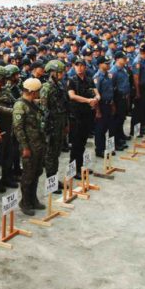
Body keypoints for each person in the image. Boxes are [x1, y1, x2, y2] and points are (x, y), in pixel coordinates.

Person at [12, 78, 46, 216]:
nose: (39, 94)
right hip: (29, 146)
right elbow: (18, 129)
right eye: (37, 91)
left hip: (38, 143)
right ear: (31, 92)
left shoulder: (31, 103)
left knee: (37, 172)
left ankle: (33, 199)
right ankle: (25, 202)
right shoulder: (20, 106)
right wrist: (25, 147)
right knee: (28, 175)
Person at [68, 57, 98, 178]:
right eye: (77, 65)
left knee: (83, 143)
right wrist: (88, 100)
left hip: (87, 115)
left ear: (85, 67)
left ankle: (80, 166)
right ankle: (74, 171)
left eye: (81, 65)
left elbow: (96, 92)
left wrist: (96, 99)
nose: (79, 68)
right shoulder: (72, 80)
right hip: (76, 116)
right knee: (76, 144)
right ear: (74, 67)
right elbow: (72, 96)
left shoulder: (89, 80)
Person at [40, 61, 67, 192]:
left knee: (56, 153)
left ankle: (54, 179)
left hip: (59, 123)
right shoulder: (46, 88)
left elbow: (63, 106)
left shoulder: (59, 85)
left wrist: (65, 123)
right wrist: (46, 129)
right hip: (51, 126)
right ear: (53, 73)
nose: (62, 75)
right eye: (59, 72)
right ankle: (51, 183)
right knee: (51, 155)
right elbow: (44, 109)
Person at [93, 57, 114, 157]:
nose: (109, 65)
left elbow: (110, 91)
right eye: (106, 64)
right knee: (100, 129)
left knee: (106, 126)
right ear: (100, 64)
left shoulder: (108, 75)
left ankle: (105, 147)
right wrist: (97, 111)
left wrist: (112, 104)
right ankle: (99, 149)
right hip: (101, 105)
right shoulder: (97, 77)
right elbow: (96, 95)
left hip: (108, 104)